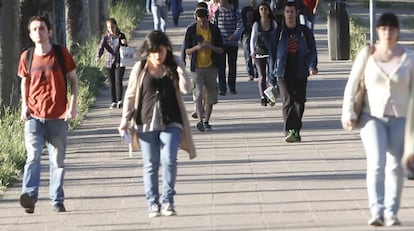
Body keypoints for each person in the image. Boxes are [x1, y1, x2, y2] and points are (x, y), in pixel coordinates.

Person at [342, 13, 414, 227]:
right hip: (371, 116)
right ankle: (377, 210)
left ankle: (391, 211)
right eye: (383, 29)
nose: (387, 33)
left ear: (397, 32)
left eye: (392, 29)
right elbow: (352, 84)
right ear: (378, 31)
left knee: (394, 166)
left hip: (401, 119)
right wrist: (347, 112)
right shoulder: (368, 54)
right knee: (376, 162)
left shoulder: (409, 58)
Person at [118, 30, 196, 218]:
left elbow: (186, 89)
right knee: (151, 164)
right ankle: (153, 203)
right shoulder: (141, 67)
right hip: (145, 123)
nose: (157, 56)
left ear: (166, 49)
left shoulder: (173, 64)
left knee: (169, 159)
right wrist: (124, 120)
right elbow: (130, 95)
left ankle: (168, 201)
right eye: (153, 52)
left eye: (160, 51)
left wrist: (181, 70)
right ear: (148, 51)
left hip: (172, 122)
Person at [17, 16, 79, 213]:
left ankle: (56, 199)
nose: (38, 32)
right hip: (34, 115)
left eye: (41, 28)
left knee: (57, 161)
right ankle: (29, 196)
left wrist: (73, 106)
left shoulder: (61, 54)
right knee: (33, 156)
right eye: (34, 29)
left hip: (58, 116)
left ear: (49, 32)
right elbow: (24, 82)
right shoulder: (26, 56)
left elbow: (74, 81)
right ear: (30, 34)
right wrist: (24, 106)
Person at [268, 0, 318, 142]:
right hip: (283, 72)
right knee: (288, 100)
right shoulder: (278, 33)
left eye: (292, 12)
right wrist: (271, 75)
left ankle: (295, 129)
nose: (290, 15)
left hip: (301, 70)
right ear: (284, 14)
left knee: (300, 101)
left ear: (297, 13)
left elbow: (312, 49)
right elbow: (272, 54)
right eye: (287, 12)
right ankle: (290, 130)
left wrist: (312, 65)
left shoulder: (304, 31)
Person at [183, 7, 224, 132]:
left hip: (211, 67)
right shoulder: (191, 30)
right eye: (199, 21)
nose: (201, 23)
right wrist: (197, 48)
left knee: (211, 96)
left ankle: (207, 121)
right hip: (197, 68)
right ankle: (200, 121)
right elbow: (187, 51)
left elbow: (221, 49)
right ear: (196, 19)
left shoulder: (214, 30)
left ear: (208, 18)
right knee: (199, 94)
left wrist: (210, 46)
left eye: (204, 21)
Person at [250, 1, 278, 106]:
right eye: (261, 9)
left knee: (272, 75)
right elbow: (253, 39)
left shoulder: (273, 23)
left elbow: (277, 37)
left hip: (271, 52)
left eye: (265, 9)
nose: (263, 11)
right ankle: (262, 96)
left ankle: (271, 96)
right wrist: (252, 51)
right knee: (262, 76)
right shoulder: (256, 25)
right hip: (259, 53)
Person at [213, 0, 243, 95]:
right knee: (221, 67)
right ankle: (222, 88)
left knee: (232, 66)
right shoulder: (217, 13)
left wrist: (235, 35)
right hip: (221, 45)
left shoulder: (235, 12)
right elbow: (214, 27)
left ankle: (232, 87)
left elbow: (240, 26)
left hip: (232, 44)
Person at [96, 18, 128, 109]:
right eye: (109, 27)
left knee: (118, 80)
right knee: (112, 82)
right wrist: (98, 56)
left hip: (120, 61)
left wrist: (124, 43)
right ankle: (113, 101)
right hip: (109, 62)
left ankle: (119, 100)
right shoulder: (105, 37)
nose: (111, 29)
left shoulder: (121, 36)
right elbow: (100, 48)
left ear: (116, 26)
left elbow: (126, 49)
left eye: (112, 27)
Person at [241, 0, 257, 81]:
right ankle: (250, 73)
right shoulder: (245, 9)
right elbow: (241, 22)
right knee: (248, 55)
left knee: (256, 54)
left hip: (257, 35)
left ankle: (256, 70)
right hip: (246, 34)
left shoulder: (259, 10)